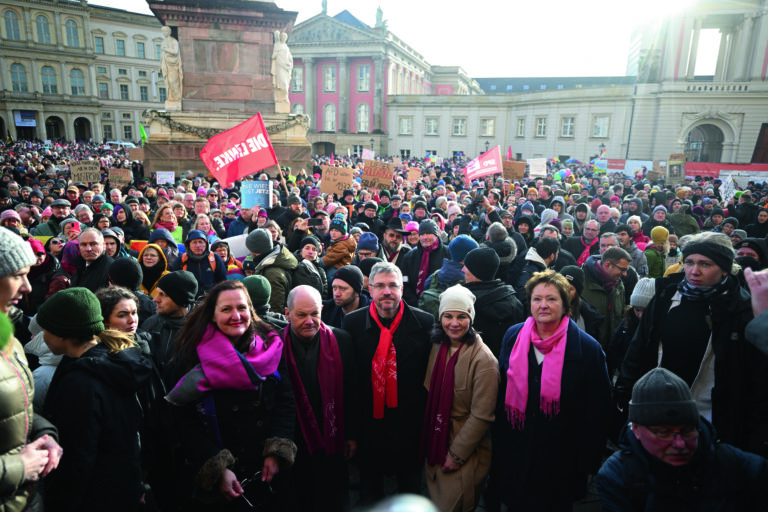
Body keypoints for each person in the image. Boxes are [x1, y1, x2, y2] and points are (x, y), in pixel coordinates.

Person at [619, 232, 768, 457]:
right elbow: (639, 347)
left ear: (725, 268)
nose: (694, 271)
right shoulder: (665, 297)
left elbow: (755, 379)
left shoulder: (742, 309)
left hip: (714, 420)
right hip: (658, 415)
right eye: (689, 262)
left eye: (705, 264)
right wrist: (625, 391)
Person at [166, 281, 296, 509]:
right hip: (220, 481)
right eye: (226, 309)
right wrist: (217, 467)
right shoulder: (190, 356)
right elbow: (184, 421)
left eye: (242, 308)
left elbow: (285, 401)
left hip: (265, 472)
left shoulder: (270, 347)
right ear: (213, 315)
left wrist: (276, 451)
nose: (236, 316)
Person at [492, 270, 612, 511]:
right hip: (516, 453)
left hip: (561, 460)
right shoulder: (513, 336)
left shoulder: (588, 349)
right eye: (537, 299)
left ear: (565, 304)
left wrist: (587, 464)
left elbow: (598, 411)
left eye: (551, 299)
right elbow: (501, 391)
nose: (543, 305)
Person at [38, 287, 153, 511]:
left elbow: (76, 459)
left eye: (45, 329)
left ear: (63, 333)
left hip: (94, 497)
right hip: (120, 487)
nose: (42, 336)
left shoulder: (82, 382)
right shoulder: (112, 362)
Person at [598, 368, 768, 511]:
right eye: (663, 432)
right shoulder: (619, 476)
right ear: (636, 430)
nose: (680, 444)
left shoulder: (740, 468)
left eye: (687, 431)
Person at [342, 262, 433, 504]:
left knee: (410, 492)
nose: (387, 292)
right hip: (369, 426)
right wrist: (351, 432)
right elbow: (350, 383)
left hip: (409, 427)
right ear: (369, 290)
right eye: (380, 286)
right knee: (370, 493)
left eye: (393, 285)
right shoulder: (351, 324)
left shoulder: (424, 323)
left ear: (402, 289)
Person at [420, 285, 498, 512]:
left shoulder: (484, 361)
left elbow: (482, 416)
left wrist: (456, 455)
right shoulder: (439, 345)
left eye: (461, 316)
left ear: (471, 319)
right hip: (436, 438)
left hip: (463, 448)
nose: (454, 323)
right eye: (448, 316)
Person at [0, 229, 62, 511]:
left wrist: (44, 433)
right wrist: (16, 467)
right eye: (17, 275)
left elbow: (14, 409)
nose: (27, 287)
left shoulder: (8, 336)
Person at [281, 286, 358, 510]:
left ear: (322, 310)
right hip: (294, 440)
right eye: (301, 315)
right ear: (287, 314)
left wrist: (352, 434)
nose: (309, 321)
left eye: (314, 314)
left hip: (333, 436)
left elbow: (352, 389)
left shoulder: (341, 340)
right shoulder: (275, 345)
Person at [141, 271, 198, 386]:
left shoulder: (200, 329)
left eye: (163, 294)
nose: (155, 299)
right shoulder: (151, 324)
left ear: (181, 298)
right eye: (157, 293)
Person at [581, 247, 631, 351]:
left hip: (611, 351)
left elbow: (621, 316)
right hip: (588, 350)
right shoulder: (582, 282)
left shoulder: (619, 285)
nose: (625, 274)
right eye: (622, 269)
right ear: (607, 265)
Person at [401, 219, 449, 306]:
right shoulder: (409, 257)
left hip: (441, 305)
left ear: (436, 234)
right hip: (414, 306)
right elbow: (404, 283)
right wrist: (415, 303)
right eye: (422, 234)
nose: (425, 237)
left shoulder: (448, 253)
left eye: (428, 233)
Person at [174, 229, 227, 299]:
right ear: (188, 245)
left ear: (206, 244)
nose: (198, 245)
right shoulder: (181, 260)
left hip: (211, 299)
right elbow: (175, 284)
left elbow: (223, 282)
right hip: (188, 301)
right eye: (194, 242)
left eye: (201, 242)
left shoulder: (215, 258)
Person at [321, 265, 370, 329]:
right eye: (334, 288)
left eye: (343, 289)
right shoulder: (326, 310)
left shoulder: (372, 313)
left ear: (357, 292)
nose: (336, 294)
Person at [161, 25, 183, 103]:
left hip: (173, 64)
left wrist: (166, 49)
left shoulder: (174, 41)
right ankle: (171, 97)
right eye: (163, 31)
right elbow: (162, 55)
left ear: (169, 32)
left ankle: (176, 98)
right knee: (168, 82)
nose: (164, 33)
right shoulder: (164, 42)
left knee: (173, 81)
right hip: (167, 64)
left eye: (165, 31)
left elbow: (175, 51)